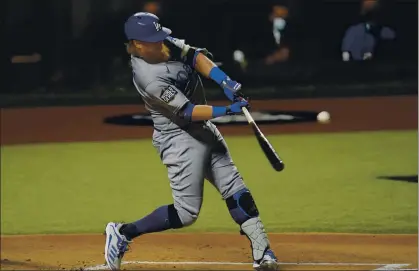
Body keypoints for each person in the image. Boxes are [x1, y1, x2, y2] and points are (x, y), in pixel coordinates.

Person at [104, 12, 280, 271]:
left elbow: (195, 56)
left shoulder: (163, 43)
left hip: (203, 129)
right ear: (137, 43)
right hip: (178, 139)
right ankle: (123, 232)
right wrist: (227, 111)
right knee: (186, 214)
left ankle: (262, 250)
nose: (161, 42)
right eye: (153, 39)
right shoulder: (148, 78)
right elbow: (187, 111)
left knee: (235, 188)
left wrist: (225, 80)